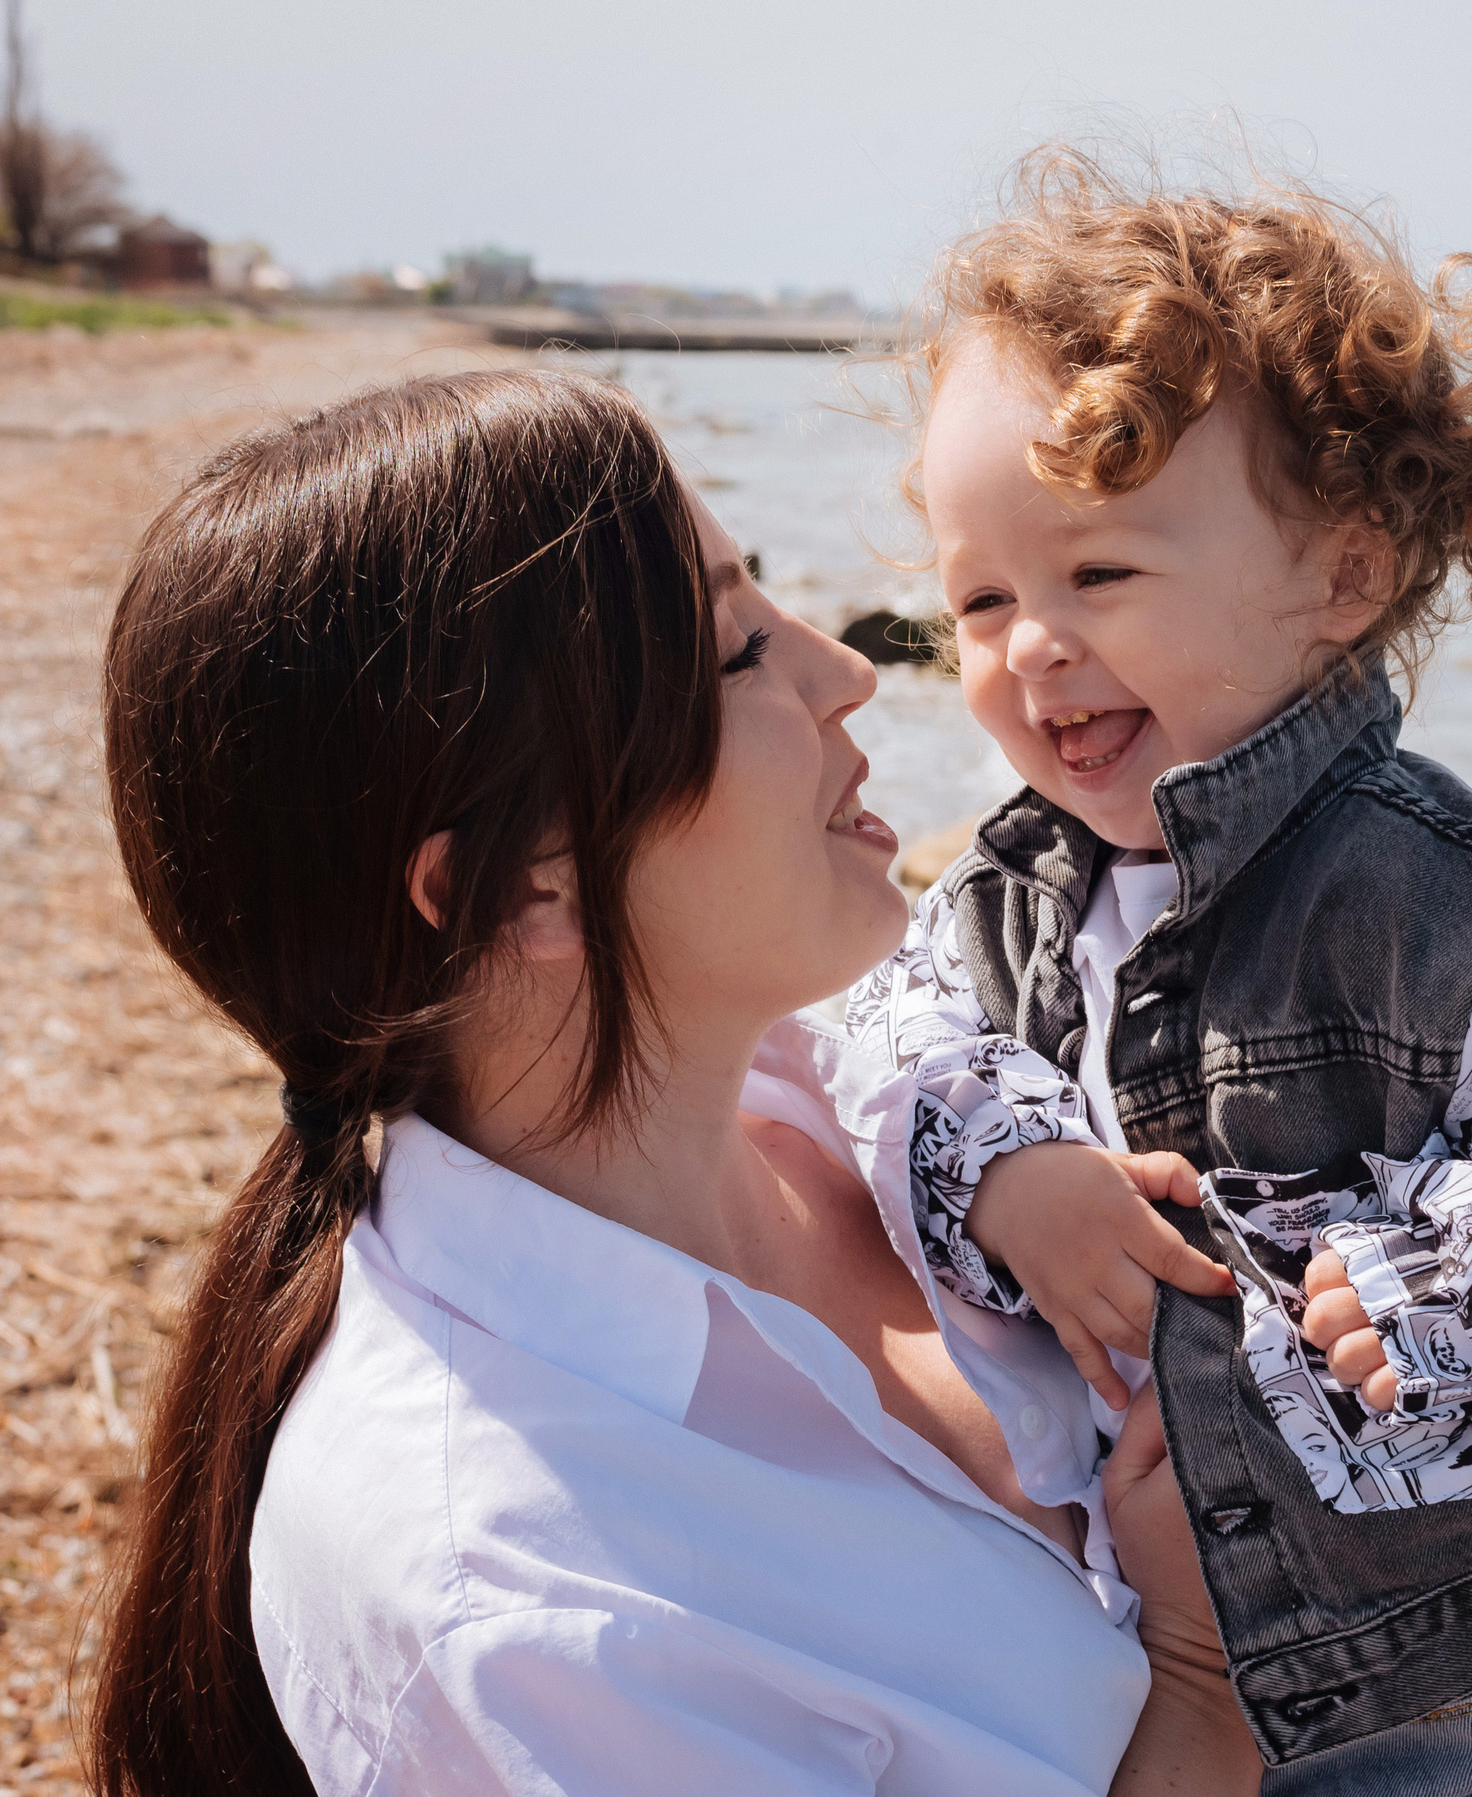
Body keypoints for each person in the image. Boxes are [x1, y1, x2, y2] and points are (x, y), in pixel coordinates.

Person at [85, 370, 1261, 1796]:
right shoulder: (525, 1603)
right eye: (734, 651)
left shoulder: (884, 1066)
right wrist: (1201, 1675)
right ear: (522, 879)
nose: (845, 667)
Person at [847, 150, 1472, 1788]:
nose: (1028, 648)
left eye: (1099, 575)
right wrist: (1000, 1154)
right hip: (1212, 1656)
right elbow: (881, 1023)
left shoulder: (1412, 889)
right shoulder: (1011, 887)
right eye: (981, 597)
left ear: (1342, 577)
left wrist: (1452, 1276)